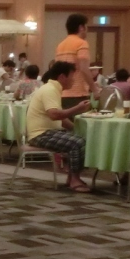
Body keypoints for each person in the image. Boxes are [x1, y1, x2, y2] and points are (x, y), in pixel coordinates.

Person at [25, 61, 91, 192]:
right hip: (40, 134)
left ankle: (72, 177)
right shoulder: (50, 90)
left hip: (46, 132)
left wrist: (76, 128)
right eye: (72, 76)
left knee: (80, 138)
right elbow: (54, 115)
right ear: (62, 77)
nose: (73, 80)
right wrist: (78, 108)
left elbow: (61, 118)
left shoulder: (52, 88)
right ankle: (74, 179)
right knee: (77, 143)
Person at [54, 14, 93, 109]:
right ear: (81, 27)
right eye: (86, 26)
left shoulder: (60, 45)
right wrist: (95, 89)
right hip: (78, 93)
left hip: (62, 93)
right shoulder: (81, 43)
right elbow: (84, 69)